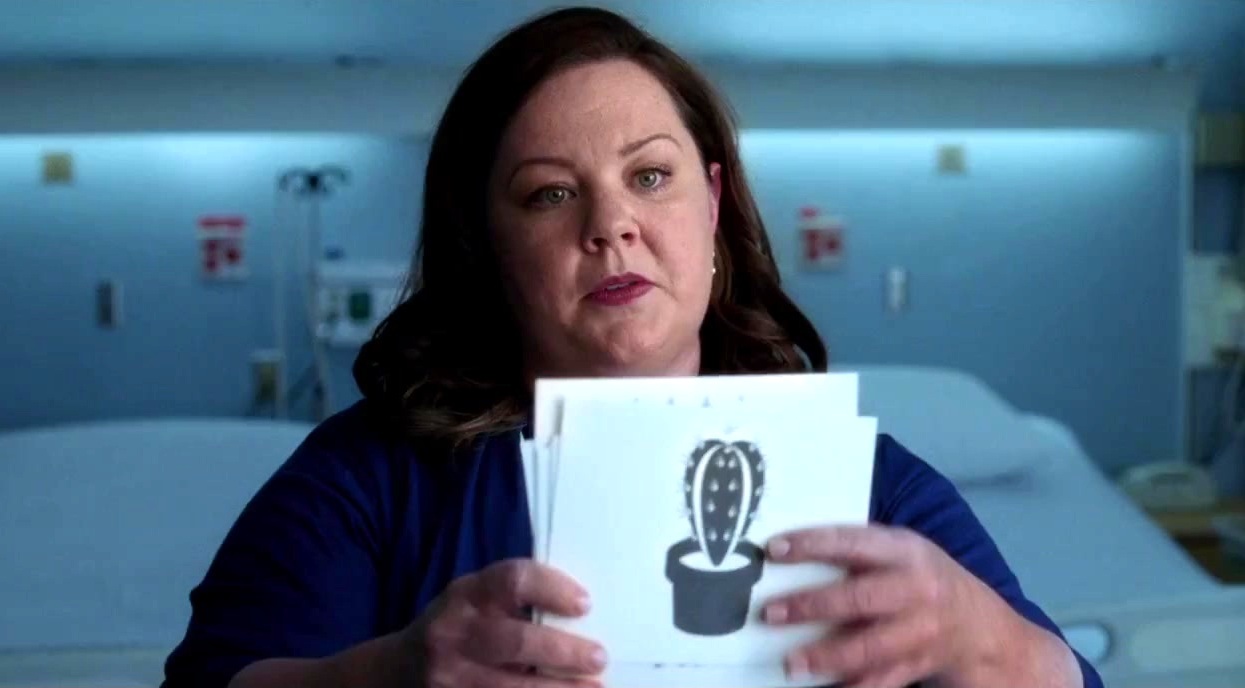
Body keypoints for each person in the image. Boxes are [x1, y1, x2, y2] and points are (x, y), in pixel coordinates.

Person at [162, 6, 1103, 688]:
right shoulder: (368, 479)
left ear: (712, 203)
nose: (611, 225)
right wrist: (388, 676)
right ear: (484, 244)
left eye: (649, 176)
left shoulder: (871, 488)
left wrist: (984, 640)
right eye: (550, 193)